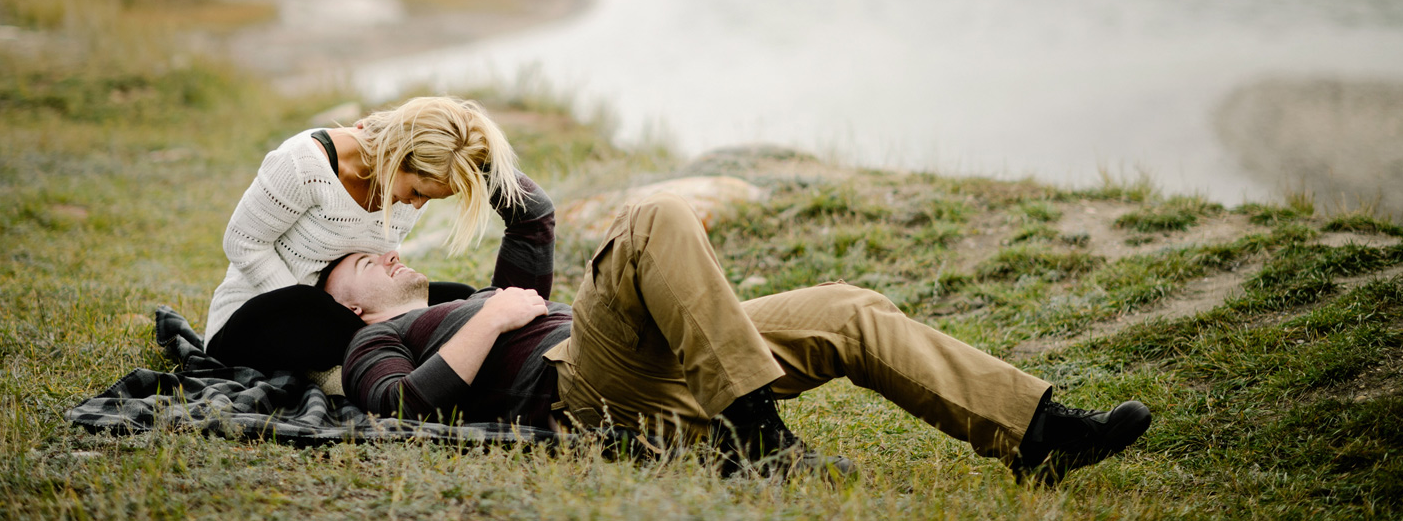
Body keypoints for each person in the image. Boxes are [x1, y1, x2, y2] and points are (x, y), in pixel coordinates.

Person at [328, 187, 1152, 484]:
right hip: (585, 394)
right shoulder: (375, 343)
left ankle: (1038, 436)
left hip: (662, 364)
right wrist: (502, 318)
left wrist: (472, 158)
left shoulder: (464, 298)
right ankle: (755, 431)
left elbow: (533, 214)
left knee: (848, 307)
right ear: (354, 307)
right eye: (359, 263)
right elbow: (399, 410)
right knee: (652, 218)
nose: (382, 253)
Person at [203, 95, 526, 375]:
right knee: (308, 308)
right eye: (416, 191)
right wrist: (325, 311)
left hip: (347, 312)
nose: (417, 205)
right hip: (263, 317)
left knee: (462, 298)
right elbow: (244, 243)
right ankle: (383, 369)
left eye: (430, 198)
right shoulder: (304, 164)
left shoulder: (412, 186)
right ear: (396, 155)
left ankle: (384, 360)